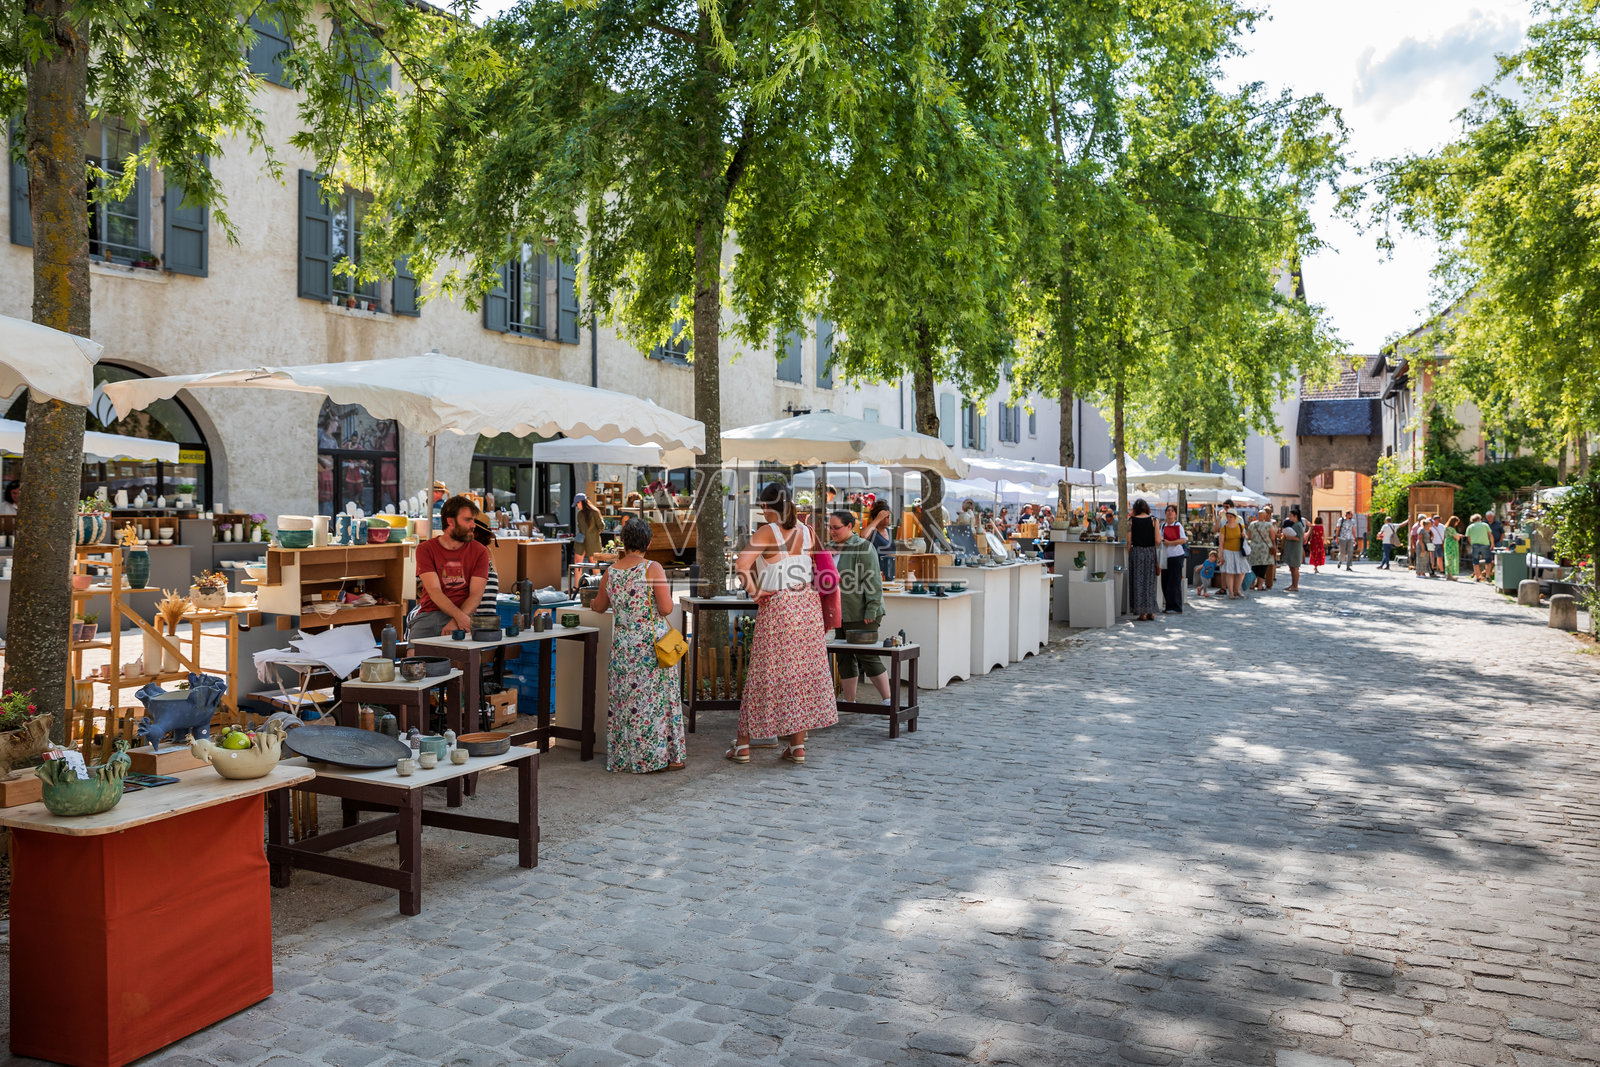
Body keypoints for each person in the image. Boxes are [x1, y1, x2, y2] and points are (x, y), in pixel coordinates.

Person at [727, 482, 837, 765]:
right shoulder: (808, 531)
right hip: (807, 606)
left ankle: (743, 746)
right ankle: (797, 746)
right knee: (799, 676)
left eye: (762, 507)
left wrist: (755, 591)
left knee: (764, 673)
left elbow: (741, 564)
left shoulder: (767, 531)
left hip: (779, 607)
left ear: (767, 506)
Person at [590, 517, 686, 773]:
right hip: (651, 648)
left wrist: (592, 603)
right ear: (649, 543)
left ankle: (626, 758)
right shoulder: (652, 568)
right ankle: (665, 757)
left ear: (622, 541)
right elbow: (666, 607)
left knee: (627, 703)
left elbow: (599, 606)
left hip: (623, 648)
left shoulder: (611, 572)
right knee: (655, 702)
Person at [827, 510, 890, 703]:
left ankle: (888, 700)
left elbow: (872, 580)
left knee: (867, 656)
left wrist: (871, 608)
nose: (832, 531)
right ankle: (850, 701)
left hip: (862, 611)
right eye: (830, 527)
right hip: (840, 612)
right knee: (844, 658)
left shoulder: (863, 547)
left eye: (836, 527)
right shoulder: (831, 548)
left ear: (849, 526)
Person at [410, 495, 489, 639]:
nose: (473, 525)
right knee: (413, 657)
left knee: (466, 659)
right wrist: (459, 618)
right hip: (430, 615)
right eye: (468, 520)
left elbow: (476, 595)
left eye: (473, 520)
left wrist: (457, 621)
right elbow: (434, 591)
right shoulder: (425, 549)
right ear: (450, 522)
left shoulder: (480, 551)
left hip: (465, 613)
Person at [1159, 504, 1187, 614]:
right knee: (1165, 582)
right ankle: (1168, 606)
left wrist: (1170, 543)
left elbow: (1183, 540)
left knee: (1174, 582)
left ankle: (1176, 606)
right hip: (1165, 556)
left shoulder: (1178, 525)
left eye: (1172, 511)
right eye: (1168, 511)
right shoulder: (1162, 525)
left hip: (1176, 556)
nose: (1170, 512)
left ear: (1175, 514)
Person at [1217, 508, 1250, 600]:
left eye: (1231, 517)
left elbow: (1245, 536)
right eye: (1228, 517)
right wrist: (1220, 555)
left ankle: (1237, 590)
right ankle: (1231, 592)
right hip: (1228, 551)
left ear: (1235, 517)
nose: (1229, 518)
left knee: (1242, 571)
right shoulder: (1224, 528)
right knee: (1230, 572)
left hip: (1239, 551)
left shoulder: (1240, 526)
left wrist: (1244, 536)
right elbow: (1221, 543)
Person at [1246, 505, 1276, 591]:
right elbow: (1273, 537)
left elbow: (1249, 537)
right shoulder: (1268, 525)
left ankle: (1252, 584)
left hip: (1254, 547)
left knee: (1254, 566)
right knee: (1263, 567)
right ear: (1265, 516)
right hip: (1265, 548)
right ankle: (1259, 585)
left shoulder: (1252, 524)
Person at [863, 500, 895, 579]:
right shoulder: (872, 532)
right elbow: (863, 536)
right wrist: (877, 519)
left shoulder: (888, 531)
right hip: (876, 576)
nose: (886, 521)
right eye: (883, 518)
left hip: (891, 574)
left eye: (888, 517)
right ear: (876, 517)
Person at [573, 493, 604, 563]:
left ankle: (596, 575)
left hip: (592, 541)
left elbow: (601, 526)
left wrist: (593, 534)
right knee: (577, 563)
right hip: (580, 541)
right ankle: (577, 574)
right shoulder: (579, 514)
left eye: (577, 504)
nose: (577, 506)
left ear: (580, 502)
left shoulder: (595, 512)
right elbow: (580, 527)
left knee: (594, 564)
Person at [1280, 507, 1305, 592]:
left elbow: (1299, 538)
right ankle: (1293, 584)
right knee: (1292, 568)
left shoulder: (1298, 525)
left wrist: (1287, 536)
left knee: (1295, 568)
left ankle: (1295, 585)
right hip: (1292, 548)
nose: (1289, 517)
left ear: (1295, 516)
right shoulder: (1295, 524)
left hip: (1295, 549)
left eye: (1291, 515)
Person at [1465, 512, 1494, 582]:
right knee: (1488, 561)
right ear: (1480, 519)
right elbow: (1490, 535)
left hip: (1475, 545)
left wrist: (1472, 544)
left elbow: (1468, 537)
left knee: (1476, 562)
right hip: (1485, 544)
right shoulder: (1485, 525)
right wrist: (1492, 544)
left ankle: (1477, 577)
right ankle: (1487, 576)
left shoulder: (1470, 527)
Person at [1443, 515, 1464, 580]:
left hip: (1447, 543)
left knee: (1448, 558)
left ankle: (1448, 574)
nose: (1457, 524)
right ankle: (1450, 575)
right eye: (1457, 522)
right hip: (1452, 545)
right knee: (1452, 559)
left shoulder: (1446, 527)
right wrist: (1459, 536)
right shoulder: (1452, 529)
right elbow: (1456, 538)